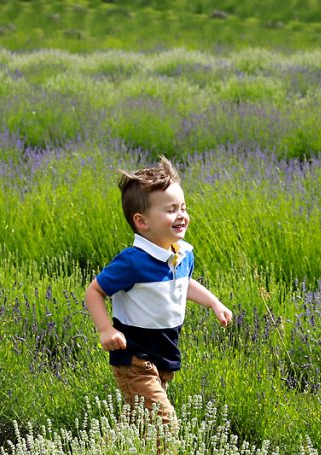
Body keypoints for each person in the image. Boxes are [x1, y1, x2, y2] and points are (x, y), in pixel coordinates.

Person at [84, 156, 232, 429]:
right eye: (170, 210)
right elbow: (94, 291)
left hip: (164, 355)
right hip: (135, 359)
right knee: (164, 425)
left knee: (135, 422)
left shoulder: (182, 253)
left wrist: (214, 303)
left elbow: (183, 283)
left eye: (183, 207)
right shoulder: (132, 262)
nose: (181, 215)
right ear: (142, 221)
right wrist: (106, 330)